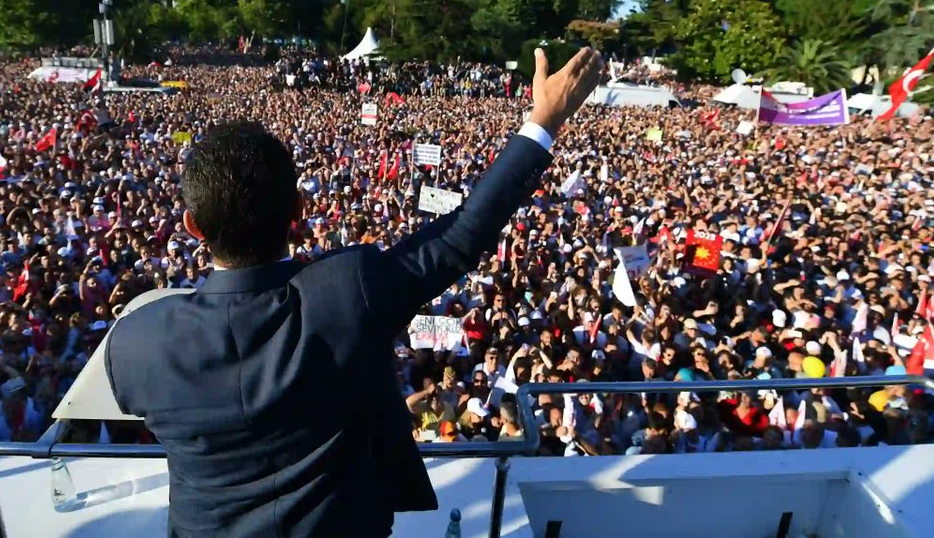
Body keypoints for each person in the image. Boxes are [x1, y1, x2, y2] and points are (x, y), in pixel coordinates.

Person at [103, 48, 603, 538]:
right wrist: (543, 119)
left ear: (192, 226)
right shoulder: (345, 294)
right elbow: (459, 237)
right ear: (299, 210)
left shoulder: (135, 343)